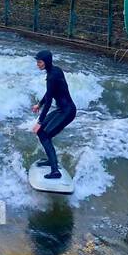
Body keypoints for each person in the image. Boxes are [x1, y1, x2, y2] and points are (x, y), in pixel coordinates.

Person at [32, 48, 77, 179]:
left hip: (67, 112)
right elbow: (49, 93)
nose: (38, 65)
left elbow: (50, 100)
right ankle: (51, 160)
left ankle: (55, 171)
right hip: (62, 110)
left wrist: (39, 122)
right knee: (42, 133)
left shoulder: (52, 76)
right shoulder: (55, 70)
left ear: (46, 62)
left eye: (39, 62)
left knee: (44, 134)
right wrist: (39, 105)